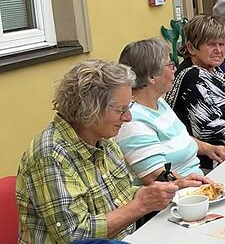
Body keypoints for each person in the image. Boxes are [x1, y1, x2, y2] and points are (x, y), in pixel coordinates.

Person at [16, 60, 195, 243]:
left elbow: (119, 196)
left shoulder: (103, 139)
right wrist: (141, 205)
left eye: (129, 107)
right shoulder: (50, 155)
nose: (128, 118)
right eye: (121, 110)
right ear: (90, 108)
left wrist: (168, 189)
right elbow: (76, 237)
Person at [116, 39, 225, 183]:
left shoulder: (159, 103)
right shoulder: (132, 120)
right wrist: (199, 186)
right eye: (170, 65)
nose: (175, 69)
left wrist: (208, 148)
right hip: (176, 197)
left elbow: (178, 139)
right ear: (152, 77)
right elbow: (157, 177)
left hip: (196, 181)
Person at [165, 15, 225, 170]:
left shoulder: (211, 68)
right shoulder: (192, 76)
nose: (218, 50)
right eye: (211, 45)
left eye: (222, 44)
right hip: (218, 157)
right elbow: (207, 127)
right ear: (191, 48)